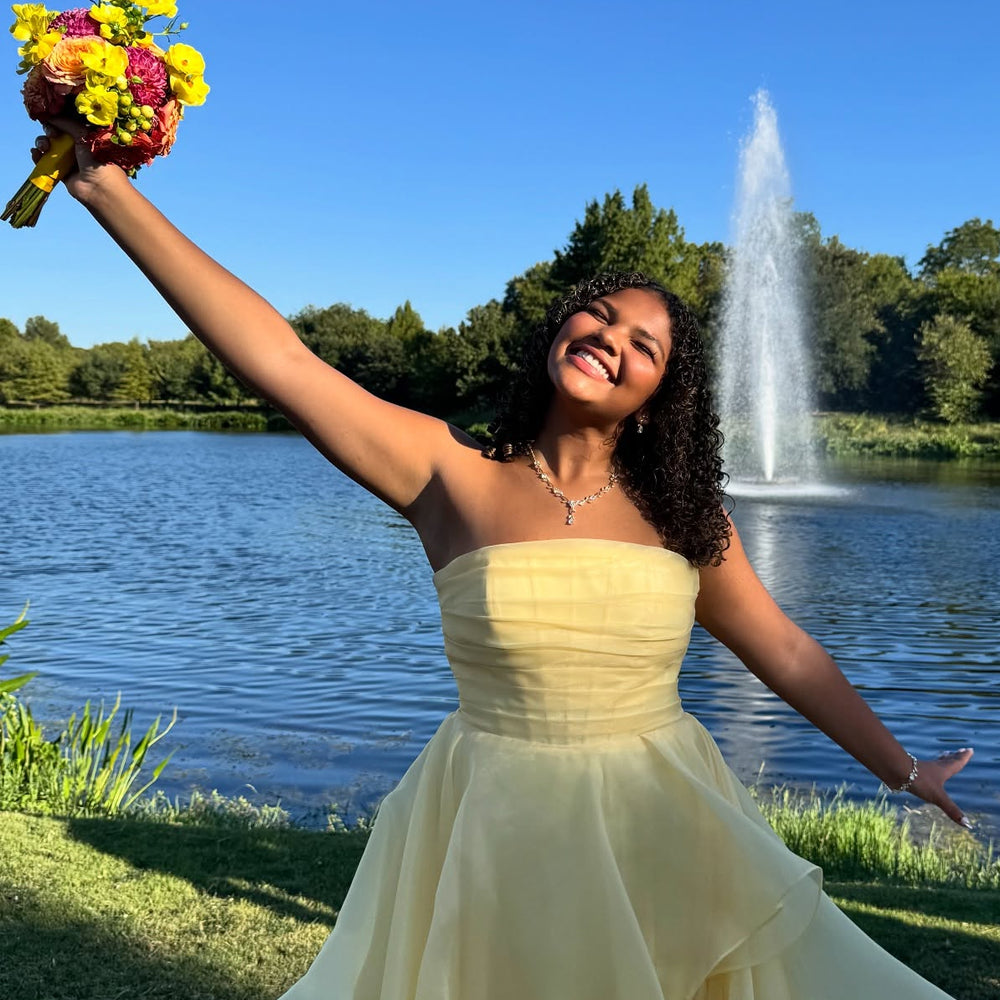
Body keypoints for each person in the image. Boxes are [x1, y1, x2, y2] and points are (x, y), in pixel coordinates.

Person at [34, 122, 974, 1000]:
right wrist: (106, 187)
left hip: (664, 822)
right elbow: (281, 359)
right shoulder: (448, 472)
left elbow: (787, 650)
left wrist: (904, 768)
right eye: (597, 317)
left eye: (642, 344)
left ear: (655, 398)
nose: (608, 338)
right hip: (491, 820)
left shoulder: (686, 517)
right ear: (560, 333)